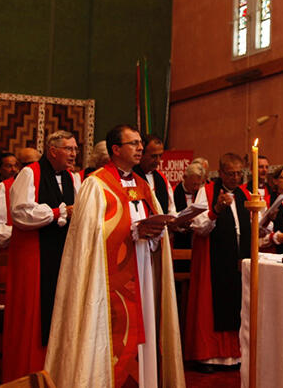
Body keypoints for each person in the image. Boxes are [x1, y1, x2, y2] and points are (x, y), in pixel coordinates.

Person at [45, 124, 185, 387]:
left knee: (146, 330)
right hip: (108, 280)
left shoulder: (144, 186)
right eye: (133, 143)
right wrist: (131, 230)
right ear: (116, 149)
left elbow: (155, 232)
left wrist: (154, 234)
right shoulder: (96, 185)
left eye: (140, 144)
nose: (140, 148)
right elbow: (88, 238)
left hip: (142, 272)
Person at [3, 131, 80, 382]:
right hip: (33, 255)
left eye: (75, 149)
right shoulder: (30, 173)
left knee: (60, 311)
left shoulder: (73, 178)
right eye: (68, 149)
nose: (73, 154)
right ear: (52, 150)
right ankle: (26, 373)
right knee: (33, 316)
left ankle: (56, 372)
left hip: (62, 253)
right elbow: (21, 213)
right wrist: (59, 211)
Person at [185, 153, 251, 373]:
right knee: (212, 304)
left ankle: (235, 355)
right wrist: (217, 210)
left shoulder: (245, 194)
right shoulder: (208, 191)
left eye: (239, 173)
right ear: (220, 173)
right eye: (230, 173)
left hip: (238, 257)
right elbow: (198, 226)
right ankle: (209, 356)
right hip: (214, 256)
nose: (235, 178)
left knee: (237, 304)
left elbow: (251, 227)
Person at [0, 147, 41, 248]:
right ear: (19, 166)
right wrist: (22, 231)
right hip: (13, 248)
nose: (32, 168)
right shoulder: (4, 188)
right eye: (28, 164)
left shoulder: (43, 186)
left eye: (37, 164)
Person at [172, 161, 205, 270]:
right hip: (179, 239)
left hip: (197, 239)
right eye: (194, 184)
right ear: (185, 177)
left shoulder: (200, 193)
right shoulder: (173, 193)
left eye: (199, 184)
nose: (196, 188)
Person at [134, 134, 176, 215]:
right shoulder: (131, 177)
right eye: (153, 156)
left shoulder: (162, 178)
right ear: (141, 154)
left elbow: (171, 209)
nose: (158, 160)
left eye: (160, 155)